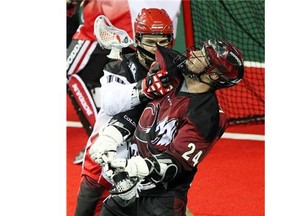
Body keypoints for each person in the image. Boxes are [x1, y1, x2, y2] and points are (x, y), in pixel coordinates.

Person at [89, 39, 244, 216]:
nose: (194, 53)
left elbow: (174, 164)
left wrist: (132, 167)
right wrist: (111, 136)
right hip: (126, 188)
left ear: (214, 75)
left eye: (203, 55)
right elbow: (137, 111)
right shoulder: (170, 76)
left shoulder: (207, 116)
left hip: (161, 199)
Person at [74, 8, 189, 216]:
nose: (157, 49)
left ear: (171, 41)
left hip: (142, 166)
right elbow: (109, 103)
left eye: (162, 41)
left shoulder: (175, 73)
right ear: (137, 40)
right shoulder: (120, 68)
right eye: (150, 42)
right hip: (104, 162)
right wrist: (144, 88)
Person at [66, 0, 182, 164]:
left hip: (116, 14)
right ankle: (131, 141)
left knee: (69, 73)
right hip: (152, 15)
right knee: (141, 80)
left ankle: (103, 140)